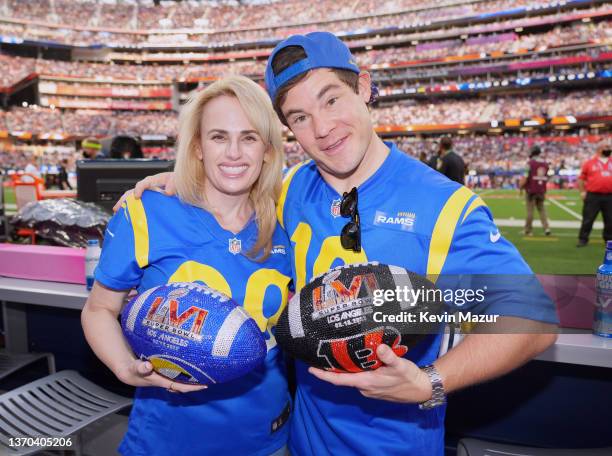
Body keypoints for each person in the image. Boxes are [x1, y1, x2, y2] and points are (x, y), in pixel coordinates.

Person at [120, 32, 558, 456]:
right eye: (300, 117)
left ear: (363, 88)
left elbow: (532, 322)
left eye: (331, 99)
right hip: (299, 440)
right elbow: (226, 188)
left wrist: (430, 382)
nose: (323, 128)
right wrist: (176, 182)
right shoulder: (290, 190)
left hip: (394, 446)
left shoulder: (444, 207)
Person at [82, 76, 292, 456]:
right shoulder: (146, 213)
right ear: (197, 146)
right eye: (218, 137)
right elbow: (98, 309)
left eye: (249, 137)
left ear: (267, 149)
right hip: (166, 438)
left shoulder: (289, 224)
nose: (233, 152)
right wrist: (124, 367)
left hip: (266, 438)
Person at [577, 145, 612, 247]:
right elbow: (581, 179)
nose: (608, 149)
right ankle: (583, 239)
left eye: (609, 147)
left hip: (610, 196)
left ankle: (609, 240)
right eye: (606, 147)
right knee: (588, 218)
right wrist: (582, 192)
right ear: (599, 150)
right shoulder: (590, 163)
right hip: (593, 195)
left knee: (610, 220)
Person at [519, 146, 550, 236]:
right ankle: (546, 228)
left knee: (530, 211)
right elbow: (546, 177)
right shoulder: (545, 164)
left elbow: (525, 176)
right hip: (542, 190)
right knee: (542, 210)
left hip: (531, 190)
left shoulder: (530, 163)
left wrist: (521, 186)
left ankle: (528, 230)